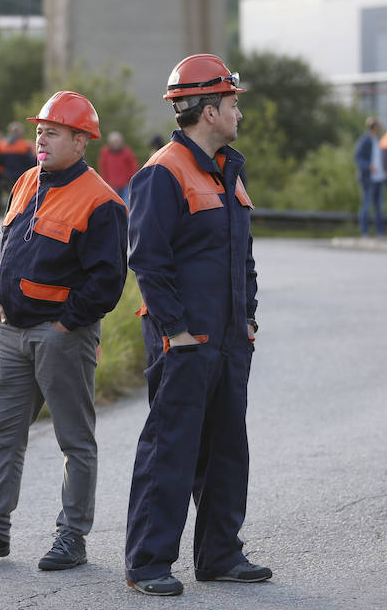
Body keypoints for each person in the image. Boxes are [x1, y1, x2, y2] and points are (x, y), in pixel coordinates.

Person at [0, 91, 128, 571]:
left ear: (81, 141)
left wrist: (64, 324)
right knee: (2, 434)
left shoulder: (102, 201)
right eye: (40, 129)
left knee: (74, 441)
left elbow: (108, 281)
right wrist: (1, 301)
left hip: (61, 335)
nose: (41, 137)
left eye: (53, 131)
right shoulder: (26, 181)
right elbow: (12, 246)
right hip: (13, 332)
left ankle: (71, 537)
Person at [124, 54, 271, 596]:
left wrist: (248, 320)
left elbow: (244, 256)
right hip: (183, 340)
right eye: (233, 103)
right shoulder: (163, 172)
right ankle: (147, 564)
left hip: (231, 338)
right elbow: (148, 260)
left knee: (228, 449)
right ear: (209, 111)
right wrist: (177, 331)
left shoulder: (229, 169)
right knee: (172, 450)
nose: (239, 112)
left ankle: (220, 555)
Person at [354, 117, 385, 236]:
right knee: (366, 206)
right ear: (374, 127)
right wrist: (369, 166)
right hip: (368, 178)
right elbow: (358, 158)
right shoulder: (365, 141)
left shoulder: (378, 140)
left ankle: (380, 231)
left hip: (379, 178)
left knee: (379, 207)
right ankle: (365, 231)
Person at [98, 131, 141, 199]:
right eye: (114, 142)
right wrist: (106, 181)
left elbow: (133, 166)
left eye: (117, 141)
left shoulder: (127, 151)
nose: (116, 144)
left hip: (126, 185)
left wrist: (132, 180)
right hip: (112, 185)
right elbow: (103, 167)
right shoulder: (105, 152)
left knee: (127, 205)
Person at [0, 121, 36, 186]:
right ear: (19, 132)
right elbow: (31, 162)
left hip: (7, 176)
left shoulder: (2, 145)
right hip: (21, 176)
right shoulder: (24, 145)